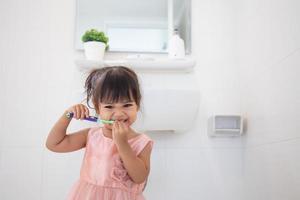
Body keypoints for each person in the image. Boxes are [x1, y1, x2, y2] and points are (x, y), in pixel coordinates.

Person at [45, 66, 154, 200]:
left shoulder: (142, 142)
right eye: (109, 107)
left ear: (137, 105)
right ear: (98, 108)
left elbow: (139, 177)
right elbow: (54, 144)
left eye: (127, 105)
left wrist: (122, 143)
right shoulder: (91, 136)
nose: (119, 114)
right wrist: (67, 115)